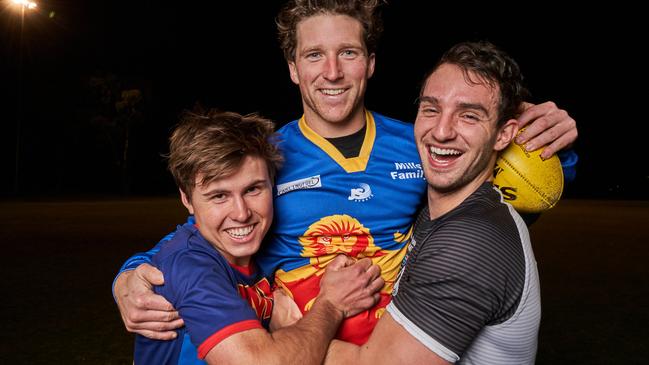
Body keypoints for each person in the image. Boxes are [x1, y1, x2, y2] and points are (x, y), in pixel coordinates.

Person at [113, 0, 578, 346]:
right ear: (293, 68)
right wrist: (131, 272)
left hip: (400, 348)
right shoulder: (265, 155)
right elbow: (206, 230)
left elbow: (502, 198)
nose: (332, 72)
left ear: (371, 63)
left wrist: (552, 141)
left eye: (349, 53)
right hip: (301, 347)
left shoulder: (423, 141)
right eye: (314, 55)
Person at [323, 40, 544, 364]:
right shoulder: (439, 214)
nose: (441, 131)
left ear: (502, 134)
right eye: (431, 108)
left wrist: (294, 326)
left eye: (469, 115)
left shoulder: (471, 242)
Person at [133, 108, 384, 364]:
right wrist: (331, 304)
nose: (241, 214)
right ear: (187, 199)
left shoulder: (264, 248)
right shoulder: (190, 266)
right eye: (219, 196)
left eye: (253, 189)